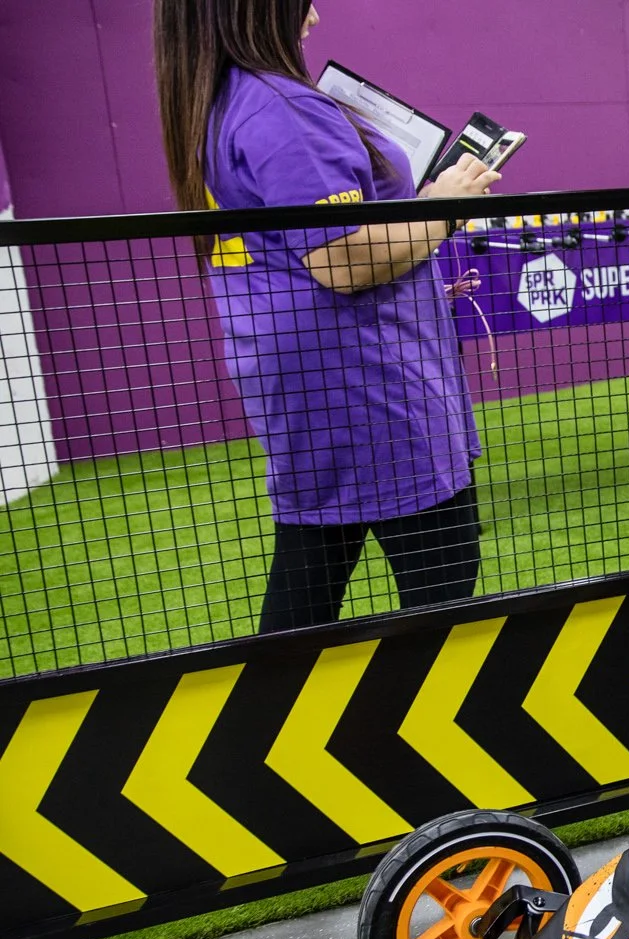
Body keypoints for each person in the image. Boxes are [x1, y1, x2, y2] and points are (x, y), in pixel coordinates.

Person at [154, 0, 500, 632]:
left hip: (309, 387)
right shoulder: (282, 106)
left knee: (309, 583)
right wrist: (444, 205)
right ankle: (419, 721)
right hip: (370, 389)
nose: (313, 17)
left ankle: (270, 722)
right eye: (301, 2)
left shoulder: (219, 100)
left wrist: (419, 284)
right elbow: (344, 262)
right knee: (443, 588)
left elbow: (294, 257)